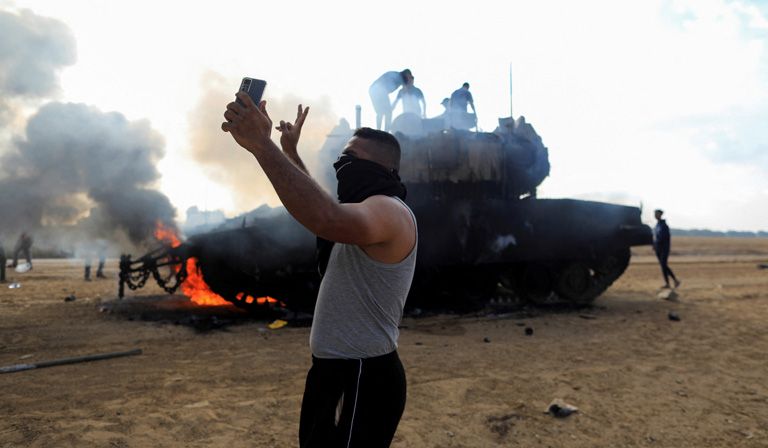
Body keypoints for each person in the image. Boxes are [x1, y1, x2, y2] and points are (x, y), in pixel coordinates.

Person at [222, 93, 417, 447]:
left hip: (363, 373)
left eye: (352, 158)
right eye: (342, 157)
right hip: (333, 370)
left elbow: (326, 217)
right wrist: (290, 153)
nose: (342, 164)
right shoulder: (362, 211)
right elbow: (323, 211)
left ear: (386, 168)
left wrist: (262, 147)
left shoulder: (390, 211)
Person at [653, 209, 680, 289]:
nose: (655, 215)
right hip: (658, 249)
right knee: (663, 266)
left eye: (656, 214)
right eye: (654, 214)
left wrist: (656, 243)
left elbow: (662, 237)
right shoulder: (657, 225)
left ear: (660, 215)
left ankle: (674, 280)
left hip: (664, 249)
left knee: (664, 265)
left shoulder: (664, 225)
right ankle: (669, 283)